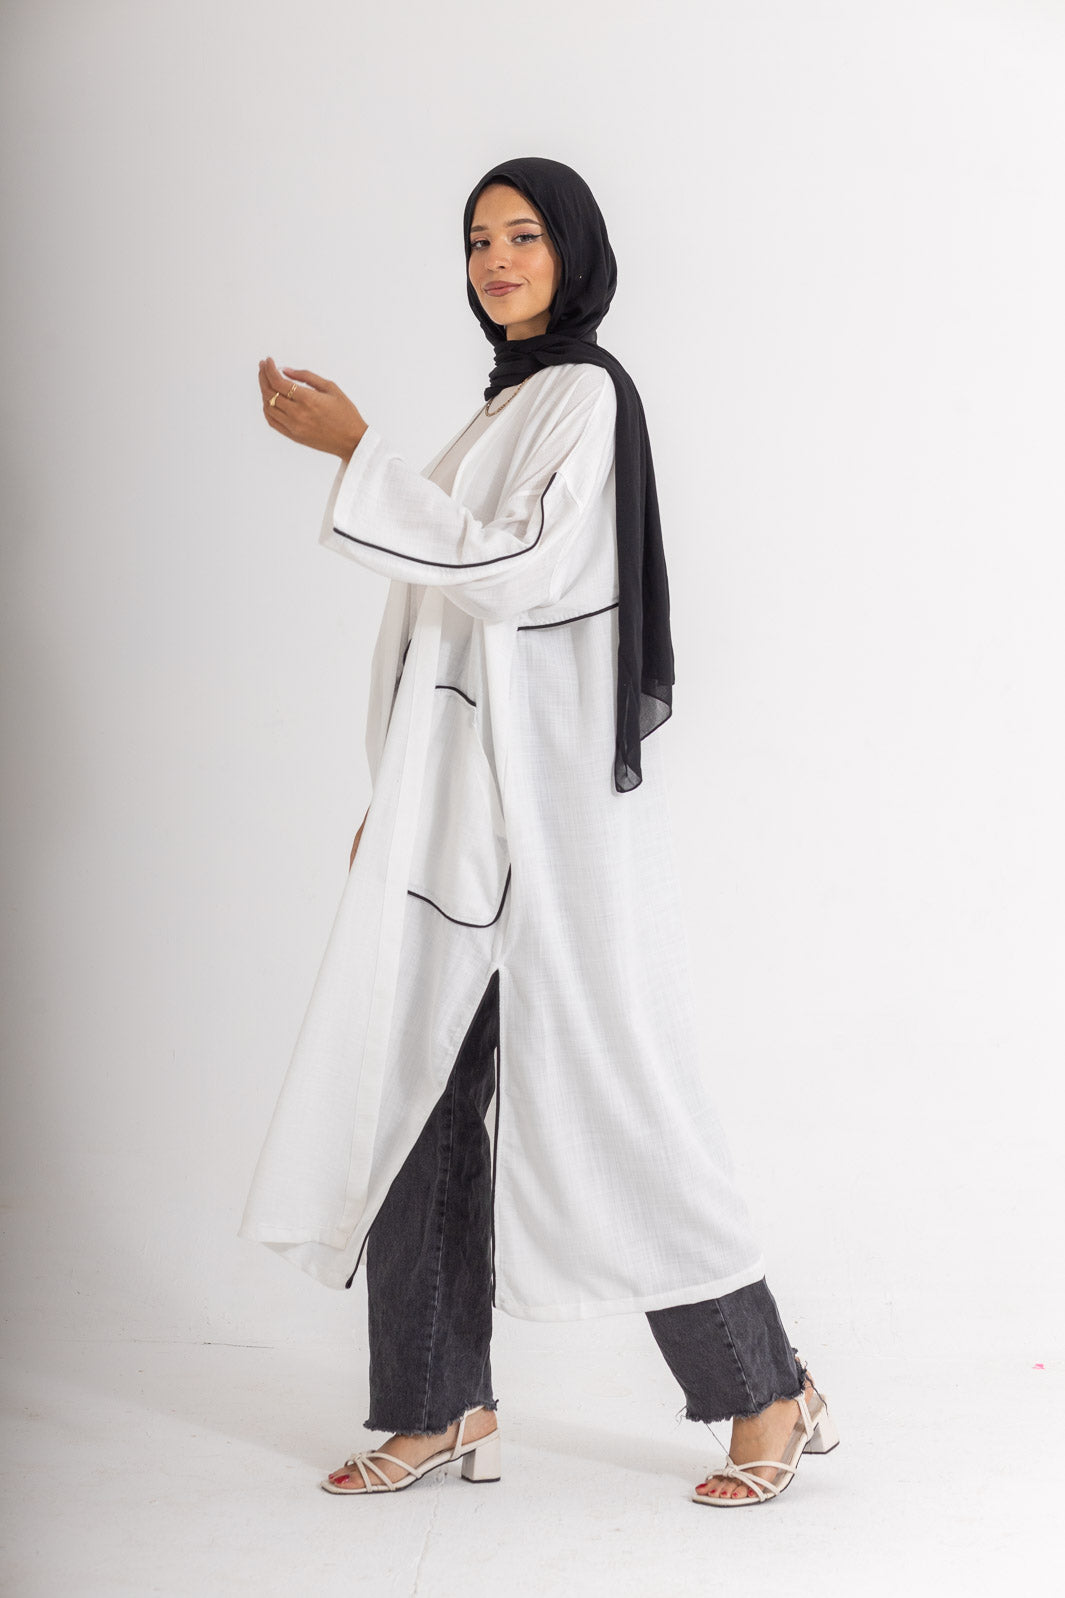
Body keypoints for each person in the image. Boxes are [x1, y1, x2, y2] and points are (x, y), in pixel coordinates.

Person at [244, 156, 840, 1507]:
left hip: (550, 825)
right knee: (416, 1099)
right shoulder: (502, 407)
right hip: (457, 822)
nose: (497, 261)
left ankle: (768, 1388)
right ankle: (437, 1403)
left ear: (573, 252)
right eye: (477, 241)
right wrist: (395, 802)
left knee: (616, 1100)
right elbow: (440, 633)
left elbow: (509, 571)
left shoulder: (584, 395)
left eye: (523, 236)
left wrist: (356, 452)